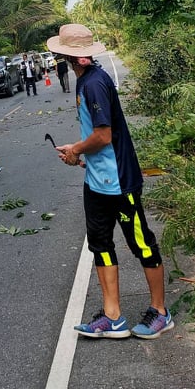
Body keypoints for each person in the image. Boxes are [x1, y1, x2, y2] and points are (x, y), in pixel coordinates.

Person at [47, 24, 173, 340]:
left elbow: (103, 135)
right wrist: (82, 157)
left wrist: (76, 148)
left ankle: (160, 312)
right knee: (100, 244)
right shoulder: (85, 82)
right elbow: (102, 136)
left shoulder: (94, 84)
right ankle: (112, 316)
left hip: (120, 182)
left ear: (67, 55)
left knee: (142, 244)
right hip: (97, 180)